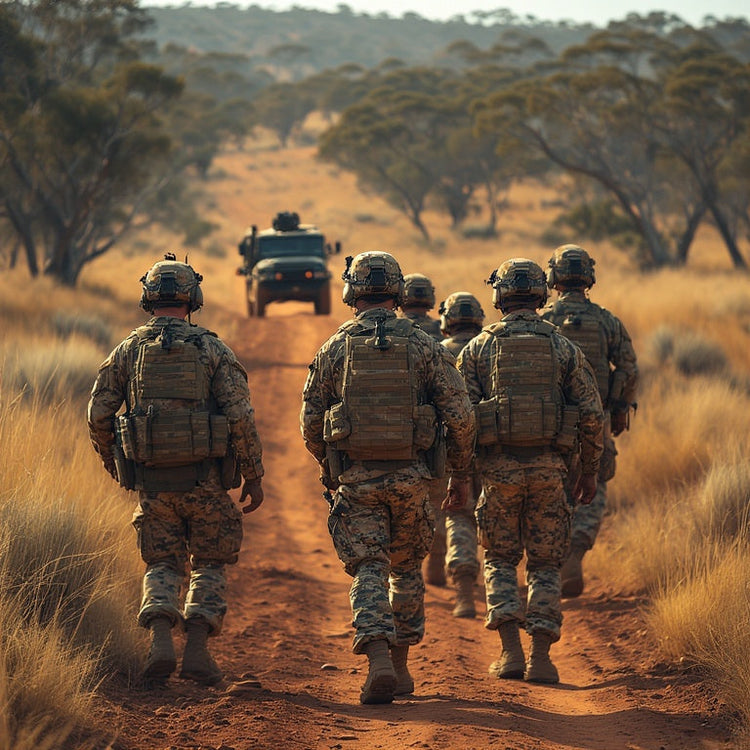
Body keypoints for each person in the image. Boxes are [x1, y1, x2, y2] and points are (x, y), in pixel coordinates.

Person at [300, 252, 475, 704]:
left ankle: (377, 655)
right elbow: (460, 413)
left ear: (351, 292)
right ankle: (398, 664)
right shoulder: (423, 344)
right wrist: (457, 470)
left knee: (368, 568)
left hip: (357, 481)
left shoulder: (335, 347)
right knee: (406, 568)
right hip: (414, 479)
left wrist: (329, 465)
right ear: (397, 292)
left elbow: (310, 421)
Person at [87, 253, 264, 686]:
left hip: (153, 482)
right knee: (209, 562)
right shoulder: (211, 348)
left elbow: (98, 414)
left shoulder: (129, 349)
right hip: (205, 481)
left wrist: (114, 461)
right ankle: (198, 652)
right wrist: (253, 473)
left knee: (161, 563)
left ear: (148, 298)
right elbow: (240, 416)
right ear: (193, 298)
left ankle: (160, 642)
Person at [457, 258, 603, 684]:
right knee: (544, 564)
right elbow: (591, 413)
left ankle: (510, 653)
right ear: (541, 294)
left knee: (500, 559)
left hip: (498, 473)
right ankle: (541, 658)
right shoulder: (563, 348)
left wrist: (461, 475)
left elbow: (461, 417)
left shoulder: (479, 348)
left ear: (499, 296)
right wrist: (589, 471)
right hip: (550, 472)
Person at [541, 244, 638, 597]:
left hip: (551, 427)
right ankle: (576, 553)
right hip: (595, 424)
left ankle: (547, 571)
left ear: (553, 278)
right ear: (589, 277)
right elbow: (628, 367)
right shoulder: (607, 321)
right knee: (592, 488)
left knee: (551, 495)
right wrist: (618, 408)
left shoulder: (544, 323)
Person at [438, 292, 486, 618]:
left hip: (452, 451)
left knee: (458, 514)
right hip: (493, 451)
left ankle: (465, 592)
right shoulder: (490, 348)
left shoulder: (437, 352)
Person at [398, 273, 447, 586]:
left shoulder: (390, 333)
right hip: (434, 435)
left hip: (397, 435)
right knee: (438, 502)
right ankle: (437, 564)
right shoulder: (440, 333)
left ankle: (406, 572)